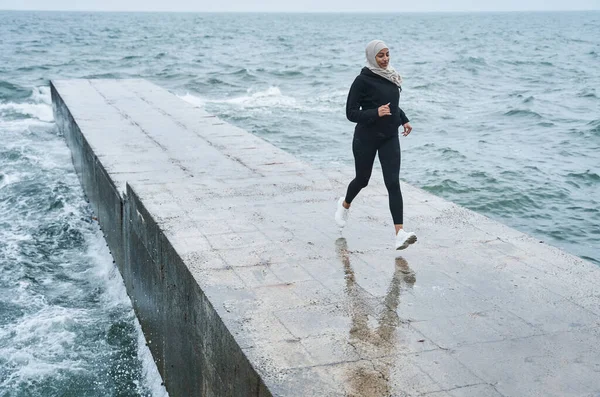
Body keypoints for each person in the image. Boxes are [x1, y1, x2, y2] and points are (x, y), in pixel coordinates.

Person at [335, 39, 417, 250]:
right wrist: (375, 112)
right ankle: (344, 204)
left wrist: (404, 118)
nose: (385, 59)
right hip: (366, 137)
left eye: (387, 54)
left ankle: (399, 233)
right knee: (362, 179)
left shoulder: (391, 76)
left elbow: (393, 106)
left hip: (389, 136)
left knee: (393, 183)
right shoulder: (362, 80)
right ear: (372, 57)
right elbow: (351, 113)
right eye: (380, 56)